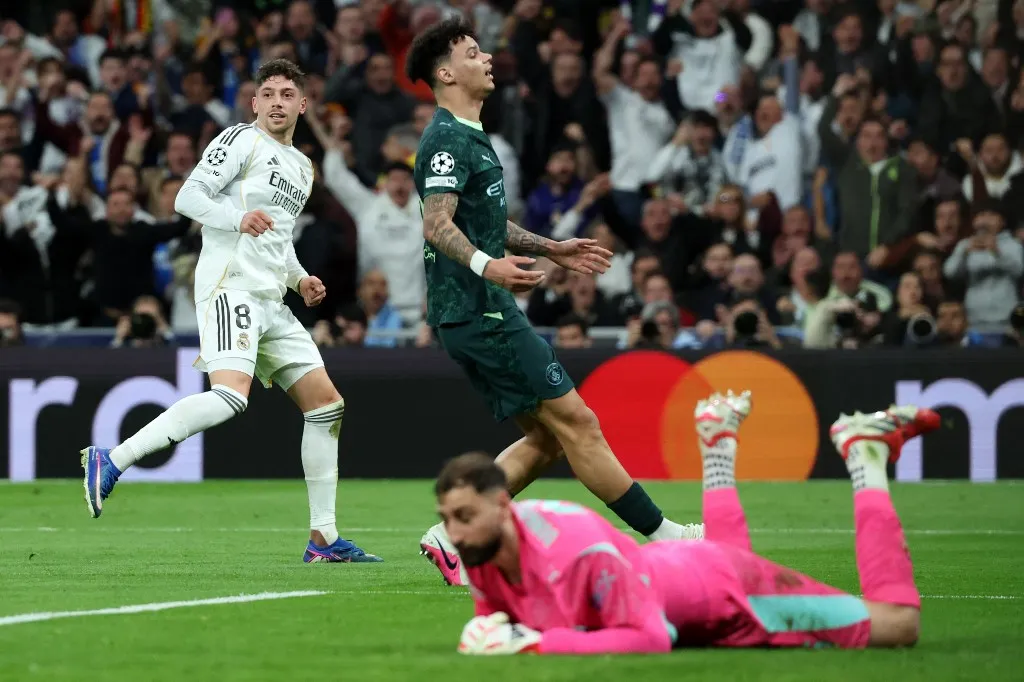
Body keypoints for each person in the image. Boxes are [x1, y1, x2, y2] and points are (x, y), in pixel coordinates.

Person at [405, 19, 702, 587]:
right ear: (446, 73)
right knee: (579, 423)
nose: (486, 57)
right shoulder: (445, 137)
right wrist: (485, 265)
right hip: (478, 308)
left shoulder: (468, 132)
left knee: (548, 440)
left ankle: (450, 534)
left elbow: (484, 221)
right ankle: (666, 538)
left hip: (475, 310)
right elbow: (436, 222)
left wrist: (551, 247)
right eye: (472, 53)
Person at [80, 59, 381, 564]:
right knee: (229, 397)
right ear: (255, 102)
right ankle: (113, 458)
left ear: (303, 105)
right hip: (230, 286)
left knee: (327, 406)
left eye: (288, 93)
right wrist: (237, 216)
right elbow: (187, 197)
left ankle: (323, 539)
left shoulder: (303, 168)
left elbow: (278, 238)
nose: (279, 102)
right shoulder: (240, 139)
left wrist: (299, 278)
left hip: (271, 297)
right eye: (269, 93)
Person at [441, 392, 941, 656]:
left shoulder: (579, 550)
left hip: (724, 593)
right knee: (727, 558)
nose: (454, 536)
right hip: (687, 570)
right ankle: (717, 446)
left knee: (898, 625)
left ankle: (865, 456)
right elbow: (499, 624)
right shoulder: (485, 548)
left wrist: (536, 645)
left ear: (505, 506)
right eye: (448, 521)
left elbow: (651, 637)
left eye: (463, 517)